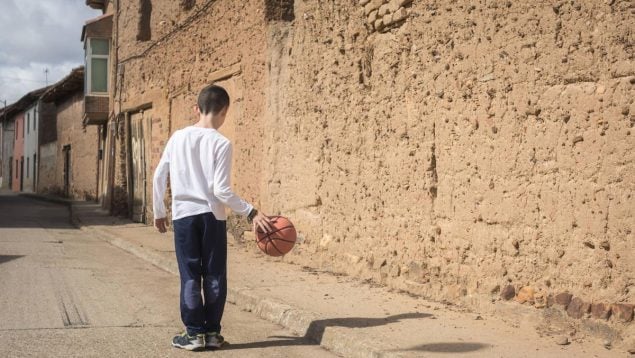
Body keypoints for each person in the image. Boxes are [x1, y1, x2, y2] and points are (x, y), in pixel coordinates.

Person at [152, 84, 273, 351]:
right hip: (212, 217)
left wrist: (159, 211)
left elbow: (159, 175)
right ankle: (212, 334)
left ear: (199, 107)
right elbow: (221, 190)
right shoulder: (222, 142)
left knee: (190, 275)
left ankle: (193, 334)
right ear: (224, 110)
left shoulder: (178, 137)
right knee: (215, 275)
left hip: (184, 216)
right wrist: (250, 211)